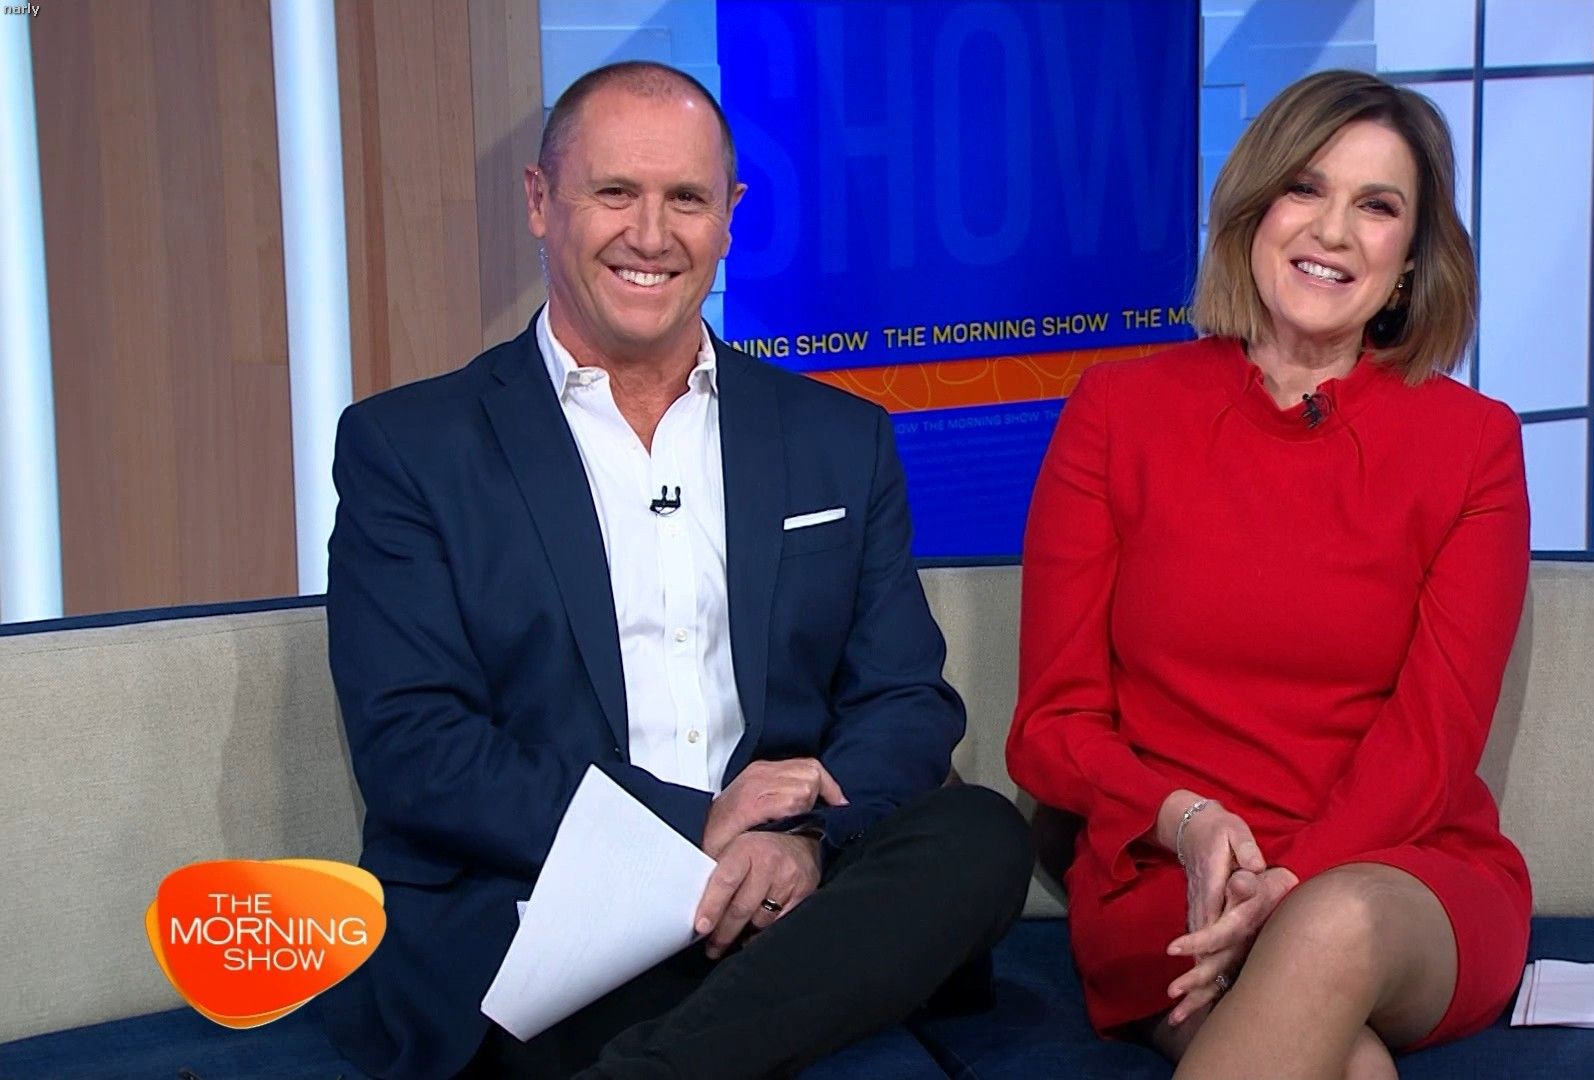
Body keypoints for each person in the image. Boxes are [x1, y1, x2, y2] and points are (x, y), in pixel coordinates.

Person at [321, 60, 1031, 1080]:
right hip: (552, 908)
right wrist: (692, 824)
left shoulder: (838, 439)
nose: (651, 235)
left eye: (686, 200)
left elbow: (905, 701)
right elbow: (415, 749)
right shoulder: (412, 448)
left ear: (730, 215)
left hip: (787, 893)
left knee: (980, 835)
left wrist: (798, 842)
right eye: (615, 192)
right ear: (540, 201)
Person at [1005, 69, 1531, 1080]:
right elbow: (1051, 729)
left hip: (1397, 874)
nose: (1333, 230)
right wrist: (1187, 821)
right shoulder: (1118, 414)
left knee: (1330, 924)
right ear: (1254, 209)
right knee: (1351, 1069)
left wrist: (1294, 880)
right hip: (1176, 876)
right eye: (1305, 187)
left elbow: (1432, 739)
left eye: (1376, 206)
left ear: (1411, 261)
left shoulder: (1473, 446)